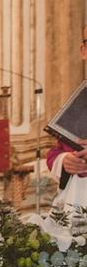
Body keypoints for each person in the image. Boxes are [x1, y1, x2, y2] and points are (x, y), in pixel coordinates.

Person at [49, 24, 87, 206]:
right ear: (83, 51)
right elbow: (55, 153)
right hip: (76, 202)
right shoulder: (79, 103)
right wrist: (65, 161)